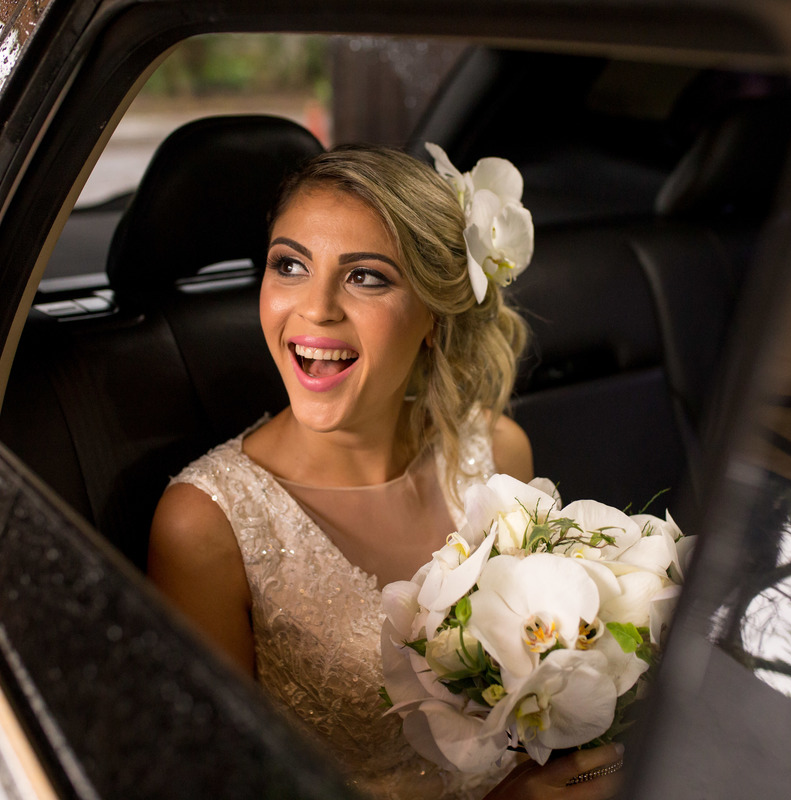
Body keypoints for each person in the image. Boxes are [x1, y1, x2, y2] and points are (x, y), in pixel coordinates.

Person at [147, 145, 624, 799]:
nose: (316, 308)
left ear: (433, 313)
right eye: (290, 265)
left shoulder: (496, 455)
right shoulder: (205, 526)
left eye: (366, 277)